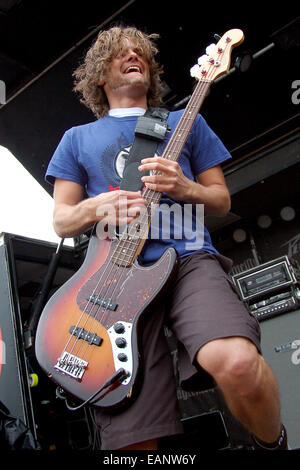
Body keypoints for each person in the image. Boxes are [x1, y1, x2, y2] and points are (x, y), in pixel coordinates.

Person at [45, 25, 287, 450]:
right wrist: (98, 206)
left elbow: (220, 200)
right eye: (122, 52)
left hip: (188, 258)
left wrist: (186, 187)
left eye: (140, 51)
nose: (133, 55)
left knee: (236, 364)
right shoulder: (76, 139)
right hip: (111, 279)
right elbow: (62, 221)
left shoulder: (181, 122)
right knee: (133, 439)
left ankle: (274, 443)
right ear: (101, 73)